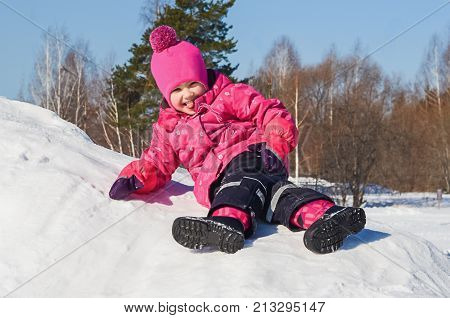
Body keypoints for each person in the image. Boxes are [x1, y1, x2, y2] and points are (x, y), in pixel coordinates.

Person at [109, 25, 366, 254]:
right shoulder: (168, 129)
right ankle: (327, 214)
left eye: (192, 84)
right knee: (278, 198)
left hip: (254, 156)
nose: (186, 95)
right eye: (176, 90)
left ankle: (228, 222)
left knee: (240, 183)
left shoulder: (228, 96)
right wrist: (137, 178)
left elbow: (267, 110)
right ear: (165, 93)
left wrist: (276, 142)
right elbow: (157, 162)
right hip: (220, 180)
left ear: (202, 77)